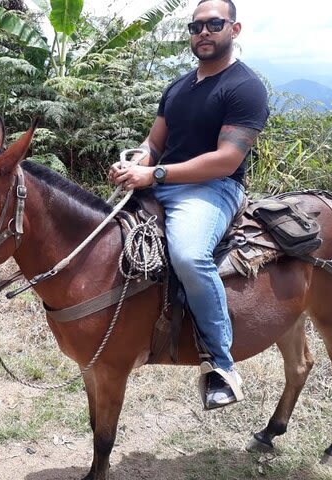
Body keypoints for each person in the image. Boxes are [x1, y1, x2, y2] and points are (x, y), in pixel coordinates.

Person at [109, 0, 269, 409]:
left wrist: (155, 174)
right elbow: (154, 143)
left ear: (234, 30)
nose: (203, 32)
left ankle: (220, 363)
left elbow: (226, 159)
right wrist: (136, 163)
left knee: (189, 254)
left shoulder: (244, 87)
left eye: (214, 24)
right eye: (196, 26)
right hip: (161, 184)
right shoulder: (178, 87)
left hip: (213, 189)